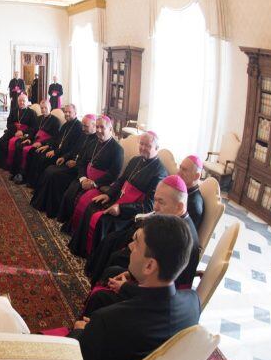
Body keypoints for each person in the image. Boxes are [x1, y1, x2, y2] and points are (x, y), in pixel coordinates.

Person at [46, 214, 200, 360]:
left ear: (149, 266)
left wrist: (83, 331)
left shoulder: (107, 321)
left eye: (136, 243)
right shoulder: (193, 304)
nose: (129, 245)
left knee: (51, 349)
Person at [83, 175, 202, 315]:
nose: (155, 206)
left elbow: (165, 291)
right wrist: (130, 275)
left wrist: (126, 287)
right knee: (113, 268)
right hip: (151, 280)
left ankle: (87, 326)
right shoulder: (175, 222)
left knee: (100, 297)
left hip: (154, 305)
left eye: (161, 202)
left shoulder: (182, 239)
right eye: (155, 199)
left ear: (179, 206)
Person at [68, 131, 168, 257]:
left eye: (147, 145)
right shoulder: (135, 160)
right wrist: (109, 195)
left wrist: (121, 208)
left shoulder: (160, 173)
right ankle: (81, 249)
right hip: (117, 198)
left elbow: (148, 206)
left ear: (157, 148)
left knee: (102, 220)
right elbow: (121, 181)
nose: (142, 148)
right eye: (141, 144)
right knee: (92, 206)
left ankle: (92, 255)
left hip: (130, 213)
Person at [57, 116, 122, 226]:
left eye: (102, 127)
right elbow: (82, 162)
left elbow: (113, 174)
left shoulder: (117, 149)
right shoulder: (93, 142)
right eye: (97, 127)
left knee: (83, 202)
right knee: (69, 194)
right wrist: (83, 179)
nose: (99, 130)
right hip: (85, 178)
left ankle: (75, 227)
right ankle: (68, 222)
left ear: (110, 129)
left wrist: (94, 183)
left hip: (100, 184)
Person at [30, 113, 96, 217]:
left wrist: (75, 163)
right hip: (71, 162)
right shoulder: (84, 134)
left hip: (79, 170)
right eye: (82, 125)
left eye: (85, 126)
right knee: (49, 170)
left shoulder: (96, 140)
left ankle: (53, 209)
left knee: (54, 174)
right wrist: (64, 157)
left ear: (94, 125)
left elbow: (89, 161)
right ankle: (42, 203)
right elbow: (74, 149)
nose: (83, 129)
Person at [23, 104, 82, 188]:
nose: (67, 114)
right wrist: (47, 146)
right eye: (65, 112)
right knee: (36, 152)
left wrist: (55, 151)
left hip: (65, 154)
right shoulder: (66, 125)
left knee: (43, 159)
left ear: (75, 113)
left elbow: (72, 147)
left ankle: (40, 186)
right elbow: (56, 139)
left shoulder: (79, 127)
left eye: (69, 112)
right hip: (56, 149)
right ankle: (32, 181)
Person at [10, 99, 60, 184]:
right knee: (19, 146)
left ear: (50, 108)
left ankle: (24, 176)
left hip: (44, 143)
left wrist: (42, 143)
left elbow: (55, 137)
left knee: (29, 152)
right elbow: (33, 130)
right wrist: (29, 138)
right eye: (42, 108)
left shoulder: (55, 121)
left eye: (45, 108)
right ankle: (17, 172)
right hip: (34, 140)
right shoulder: (39, 118)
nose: (43, 110)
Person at [0, 93, 37, 170]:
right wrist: (15, 131)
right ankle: (1, 164)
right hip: (13, 132)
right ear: (17, 101)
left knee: (13, 145)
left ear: (27, 102)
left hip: (24, 134)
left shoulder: (32, 113)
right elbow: (8, 124)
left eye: (23, 101)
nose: (21, 102)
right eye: (20, 101)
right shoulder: (14, 110)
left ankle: (10, 166)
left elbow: (34, 127)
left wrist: (22, 132)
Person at [179, 155, 205, 230]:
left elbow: (184, 236)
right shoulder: (184, 191)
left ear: (196, 176)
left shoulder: (194, 205)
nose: (178, 172)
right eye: (180, 167)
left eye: (184, 170)